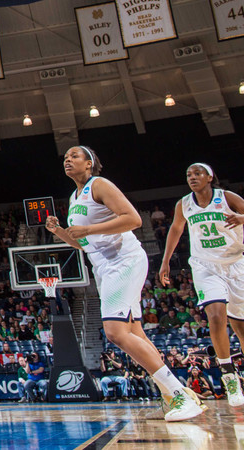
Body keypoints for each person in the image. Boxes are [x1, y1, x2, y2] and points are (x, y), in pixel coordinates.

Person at [46, 146, 204, 422]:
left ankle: (178, 394)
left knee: (115, 333)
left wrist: (89, 229)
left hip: (124, 260)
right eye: (65, 158)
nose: (68, 160)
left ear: (90, 163)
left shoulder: (100, 184)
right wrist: (60, 231)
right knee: (135, 334)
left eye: (74, 156)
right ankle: (176, 394)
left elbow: (133, 219)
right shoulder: (75, 197)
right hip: (103, 266)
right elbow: (83, 244)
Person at [158, 163, 244, 407]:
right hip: (205, 266)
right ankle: (229, 377)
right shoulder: (184, 204)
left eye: (197, 174)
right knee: (216, 316)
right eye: (188, 175)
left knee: (240, 325)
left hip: (236, 263)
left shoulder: (227, 198)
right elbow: (176, 229)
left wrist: (241, 218)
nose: (192, 177)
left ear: (209, 177)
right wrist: (165, 262)